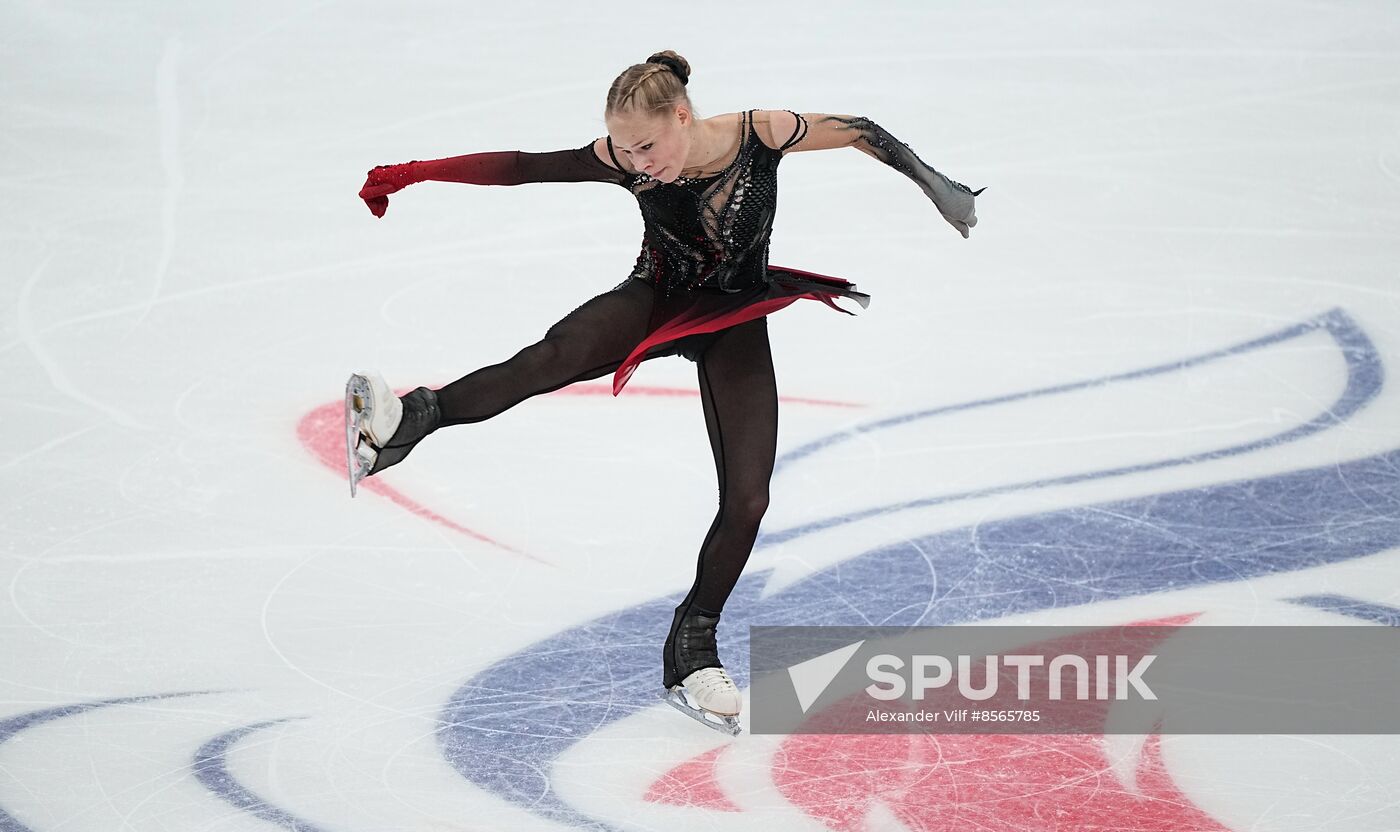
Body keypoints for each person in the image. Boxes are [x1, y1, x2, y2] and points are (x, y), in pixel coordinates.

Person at [348, 50, 982, 735]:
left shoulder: (761, 134)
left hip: (730, 317)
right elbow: (524, 166)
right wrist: (413, 174)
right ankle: (408, 419)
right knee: (549, 358)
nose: (640, 162)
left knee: (749, 498)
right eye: (626, 151)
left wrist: (934, 182)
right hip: (653, 295)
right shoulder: (627, 158)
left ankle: (692, 647)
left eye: (648, 145)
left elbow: (859, 128)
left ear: (683, 116)